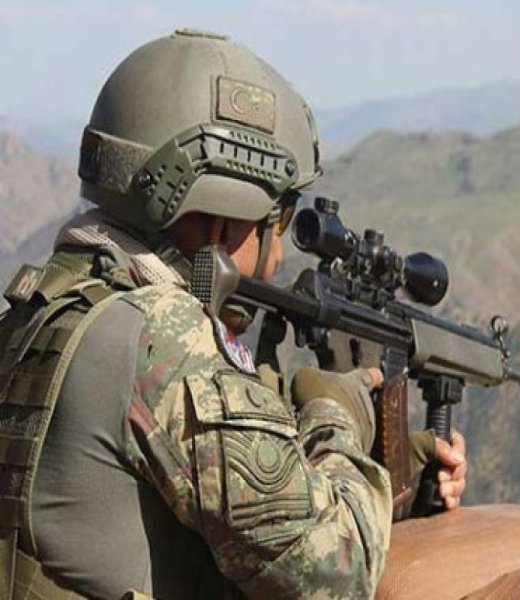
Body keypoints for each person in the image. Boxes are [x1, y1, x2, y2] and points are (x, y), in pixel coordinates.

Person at [0, 29, 466, 599]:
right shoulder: (164, 339)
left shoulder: (46, 303)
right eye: (277, 220)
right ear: (224, 221)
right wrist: (337, 416)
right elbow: (336, 575)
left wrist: (389, 473)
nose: (277, 256)